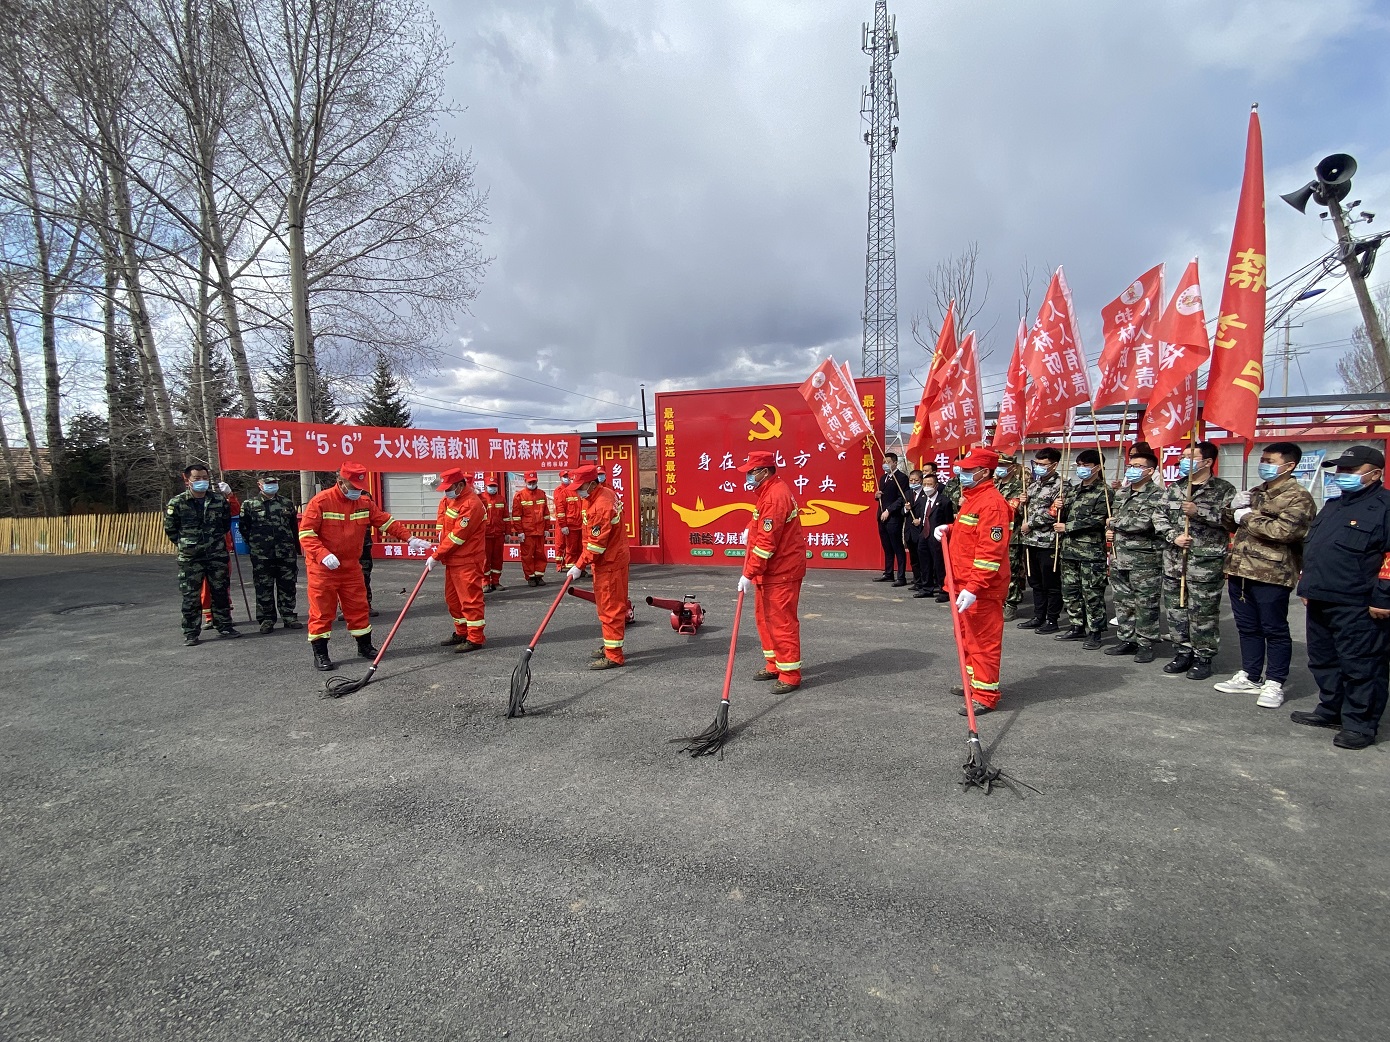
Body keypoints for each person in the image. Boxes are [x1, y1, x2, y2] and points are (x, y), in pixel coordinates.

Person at [1290, 445, 1390, 749]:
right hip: (1321, 597)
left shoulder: (1385, 507)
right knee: (1324, 660)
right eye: (1340, 469)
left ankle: (1360, 725)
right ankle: (1331, 709)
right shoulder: (1334, 505)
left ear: (1375, 474)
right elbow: (1316, 548)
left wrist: (1384, 597)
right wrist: (1308, 586)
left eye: (1350, 470)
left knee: (1361, 665)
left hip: (1358, 602)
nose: (1341, 475)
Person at [298, 463, 430, 671]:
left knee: (359, 608)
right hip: (323, 569)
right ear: (341, 482)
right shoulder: (321, 502)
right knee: (322, 611)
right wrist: (323, 555)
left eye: (360, 487)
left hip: (351, 567)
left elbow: (385, 522)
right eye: (353, 487)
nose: (357, 491)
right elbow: (306, 534)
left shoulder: (364, 502)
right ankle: (321, 654)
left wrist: (409, 538)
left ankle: (365, 646)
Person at [1216, 442, 1316, 707]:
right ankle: (1250, 675)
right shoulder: (1256, 492)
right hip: (1240, 570)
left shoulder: (1298, 497)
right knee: (1247, 627)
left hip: (1272, 573)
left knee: (1274, 629)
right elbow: (1230, 524)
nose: (1264, 465)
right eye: (1263, 460)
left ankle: (1274, 681)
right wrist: (1231, 508)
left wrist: (1247, 517)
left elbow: (1285, 532)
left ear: (1289, 465)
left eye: (1270, 461)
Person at [934, 446, 1012, 715]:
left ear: (984, 472)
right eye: (963, 469)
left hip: (981, 589)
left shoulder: (992, 504)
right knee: (966, 638)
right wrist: (949, 528)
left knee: (983, 642)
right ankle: (973, 684)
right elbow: (969, 532)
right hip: (963, 583)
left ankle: (985, 695)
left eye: (969, 470)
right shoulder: (973, 498)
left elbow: (990, 552)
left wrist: (975, 587)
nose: (963, 473)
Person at [1154, 441, 1235, 681]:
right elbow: (1159, 516)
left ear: (1207, 462)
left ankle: (1203, 656)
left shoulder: (1223, 489)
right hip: (1174, 561)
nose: (1183, 461)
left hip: (1205, 564)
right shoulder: (1175, 488)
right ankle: (1182, 651)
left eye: (1190, 457)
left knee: (1203, 612)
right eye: (1183, 456)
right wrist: (1173, 536)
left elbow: (1232, 521)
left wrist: (1199, 512)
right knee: (1176, 610)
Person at [735, 449, 808, 693]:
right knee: (765, 619)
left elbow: (766, 545)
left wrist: (748, 573)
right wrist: (750, 528)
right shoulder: (768, 491)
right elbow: (761, 522)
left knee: (781, 622)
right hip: (770, 570)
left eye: (751, 472)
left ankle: (790, 674)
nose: (748, 476)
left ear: (764, 471)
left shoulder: (775, 496)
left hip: (781, 570)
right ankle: (774, 664)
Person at [164, 464, 240, 645]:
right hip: (191, 558)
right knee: (191, 596)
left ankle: (224, 626)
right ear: (187, 480)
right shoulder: (177, 502)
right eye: (197, 478)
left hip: (216, 554)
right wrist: (188, 545)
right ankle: (191, 632)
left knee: (220, 592)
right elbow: (171, 530)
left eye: (205, 478)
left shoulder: (218, 500)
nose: (202, 481)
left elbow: (225, 524)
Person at [566, 463, 631, 669]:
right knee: (607, 606)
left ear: (592, 484)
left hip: (609, 563)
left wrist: (578, 566)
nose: (577, 491)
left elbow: (596, 546)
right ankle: (610, 645)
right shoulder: (601, 495)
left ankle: (614, 655)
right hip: (609, 560)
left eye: (580, 487)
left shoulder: (601, 505)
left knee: (610, 608)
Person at [1105, 444, 1164, 663]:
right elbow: (1115, 521)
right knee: (1123, 601)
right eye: (1131, 465)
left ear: (1150, 471)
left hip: (1144, 559)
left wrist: (1113, 523)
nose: (1132, 469)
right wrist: (1110, 530)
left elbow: (1143, 523)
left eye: (1138, 466)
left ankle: (1146, 643)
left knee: (1145, 603)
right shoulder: (1122, 493)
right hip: (1120, 556)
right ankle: (1127, 638)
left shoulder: (1158, 495)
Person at [1053, 448, 1111, 648]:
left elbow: (1098, 519)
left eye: (1086, 465)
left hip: (1091, 552)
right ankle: (1076, 625)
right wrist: (1059, 507)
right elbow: (1062, 515)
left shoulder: (1104, 492)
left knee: (1092, 593)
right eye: (1079, 465)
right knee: (1070, 591)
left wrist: (1067, 527)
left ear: (1098, 467)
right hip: (1069, 550)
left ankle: (1095, 631)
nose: (1081, 469)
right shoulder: (1073, 490)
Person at [429, 467, 488, 653]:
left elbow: (457, 536)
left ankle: (475, 638)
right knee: (453, 599)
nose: (446, 492)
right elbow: (446, 526)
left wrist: (436, 555)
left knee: (470, 600)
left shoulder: (471, 504)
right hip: (454, 559)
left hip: (467, 560)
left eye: (449, 488)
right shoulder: (454, 500)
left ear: (460, 485)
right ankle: (462, 632)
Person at [239, 473, 302, 633]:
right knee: (263, 587)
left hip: (285, 552)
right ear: (259, 485)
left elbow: (293, 527)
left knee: (288, 586)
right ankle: (266, 619)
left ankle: (288, 616)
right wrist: (256, 545)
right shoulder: (250, 504)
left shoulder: (286, 503)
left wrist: (295, 547)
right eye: (268, 483)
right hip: (262, 554)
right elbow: (244, 528)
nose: (272, 485)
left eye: (274, 482)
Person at [1017, 446, 1064, 633]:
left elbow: (1054, 513)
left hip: (1049, 541)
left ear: (1054, 465)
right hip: (1030, 541)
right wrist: (1022, 503)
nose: (1038, 467)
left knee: (1051, 583)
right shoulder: (1033, 485)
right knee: (1035, 582)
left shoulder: (1061, 486)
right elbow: (1023, 512)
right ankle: (1038, 616)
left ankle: (1052, 620)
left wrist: (1030, 524)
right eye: (1036, 463)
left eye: (1043, 464)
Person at [993, 455, 1028, 621]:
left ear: (1013, 468)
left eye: (1003, 465)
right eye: (998, 465)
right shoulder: (995, 485)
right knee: (996, 570)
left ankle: (1011, 604)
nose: (999, 468)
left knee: (1011, 571)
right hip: (995, 534)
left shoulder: (1018, 487)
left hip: (1012, 535)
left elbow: (1010, 510)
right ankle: (999, 601)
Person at [916, 467, 955, 601]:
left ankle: (944, 591)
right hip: (924, 535)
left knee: (939, 565)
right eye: (924, 484)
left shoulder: (944, 501)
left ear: (936, 486)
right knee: (924, 563)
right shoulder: (922, 500)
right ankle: (926, 588)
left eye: (930, 484)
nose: (927, 487)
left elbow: (949, 521)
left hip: (938, 538)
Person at [873, 452, 909, 585]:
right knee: (887, 546)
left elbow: (902, 498)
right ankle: (888, 573)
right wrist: (877, 496)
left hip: (893, 517)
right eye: (884, 462)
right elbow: (883, 496)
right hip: (881, 516)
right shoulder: (883, 478)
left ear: (895, 462)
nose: (885, 464)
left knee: (897, 546)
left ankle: (901, 576)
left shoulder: (902, 478)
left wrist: (889, 510)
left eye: (888, 462)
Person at [510, 470, 551, 586]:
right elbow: (516, 516)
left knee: (540, 554)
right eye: (530, 482)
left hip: (540, 530)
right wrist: (520, 532)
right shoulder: (519, 496)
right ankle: (530, 577)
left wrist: (547, 529)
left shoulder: (542, 494)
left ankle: (539, 576)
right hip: (527, 532)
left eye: (534, 482)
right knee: (527, 555)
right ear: (525, 481)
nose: (532, 484)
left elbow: (546, 514)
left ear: (537, 481)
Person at [481, 474, 508, 592]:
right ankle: (485, 582)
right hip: (485, 535)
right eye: (490, 486)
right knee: (485, 560)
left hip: (498, 534)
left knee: (498, 559)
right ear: (485, 486)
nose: (492, 488)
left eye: (494, 486)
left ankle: (495, 581)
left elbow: (506, 517)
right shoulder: (481, 499)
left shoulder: (501, 499)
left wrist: (507, 532)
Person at [553, 470, 583, 574]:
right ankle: (566, 566)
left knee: (580, 547)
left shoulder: (579, 491)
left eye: (569, 477)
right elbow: (560, 509)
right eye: (565, 477)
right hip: (568, 524)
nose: (568, 479)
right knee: (564, 545)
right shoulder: (562, 492)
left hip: (580, 525)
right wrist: (563, 525)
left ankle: (579, 567)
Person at [904, 469, 927, 593]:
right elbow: (902, 512)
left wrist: (920, 520)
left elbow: (928, 511)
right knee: (914, 559)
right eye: (911, 480)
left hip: (921, 530)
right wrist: (906, 509)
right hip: (910, 531)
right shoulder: (907, 494)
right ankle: (917, 581)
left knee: (923, 559)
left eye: (916, 480)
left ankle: (926, 583)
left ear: (921, 481)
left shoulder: (926, 493)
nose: (913, 482)